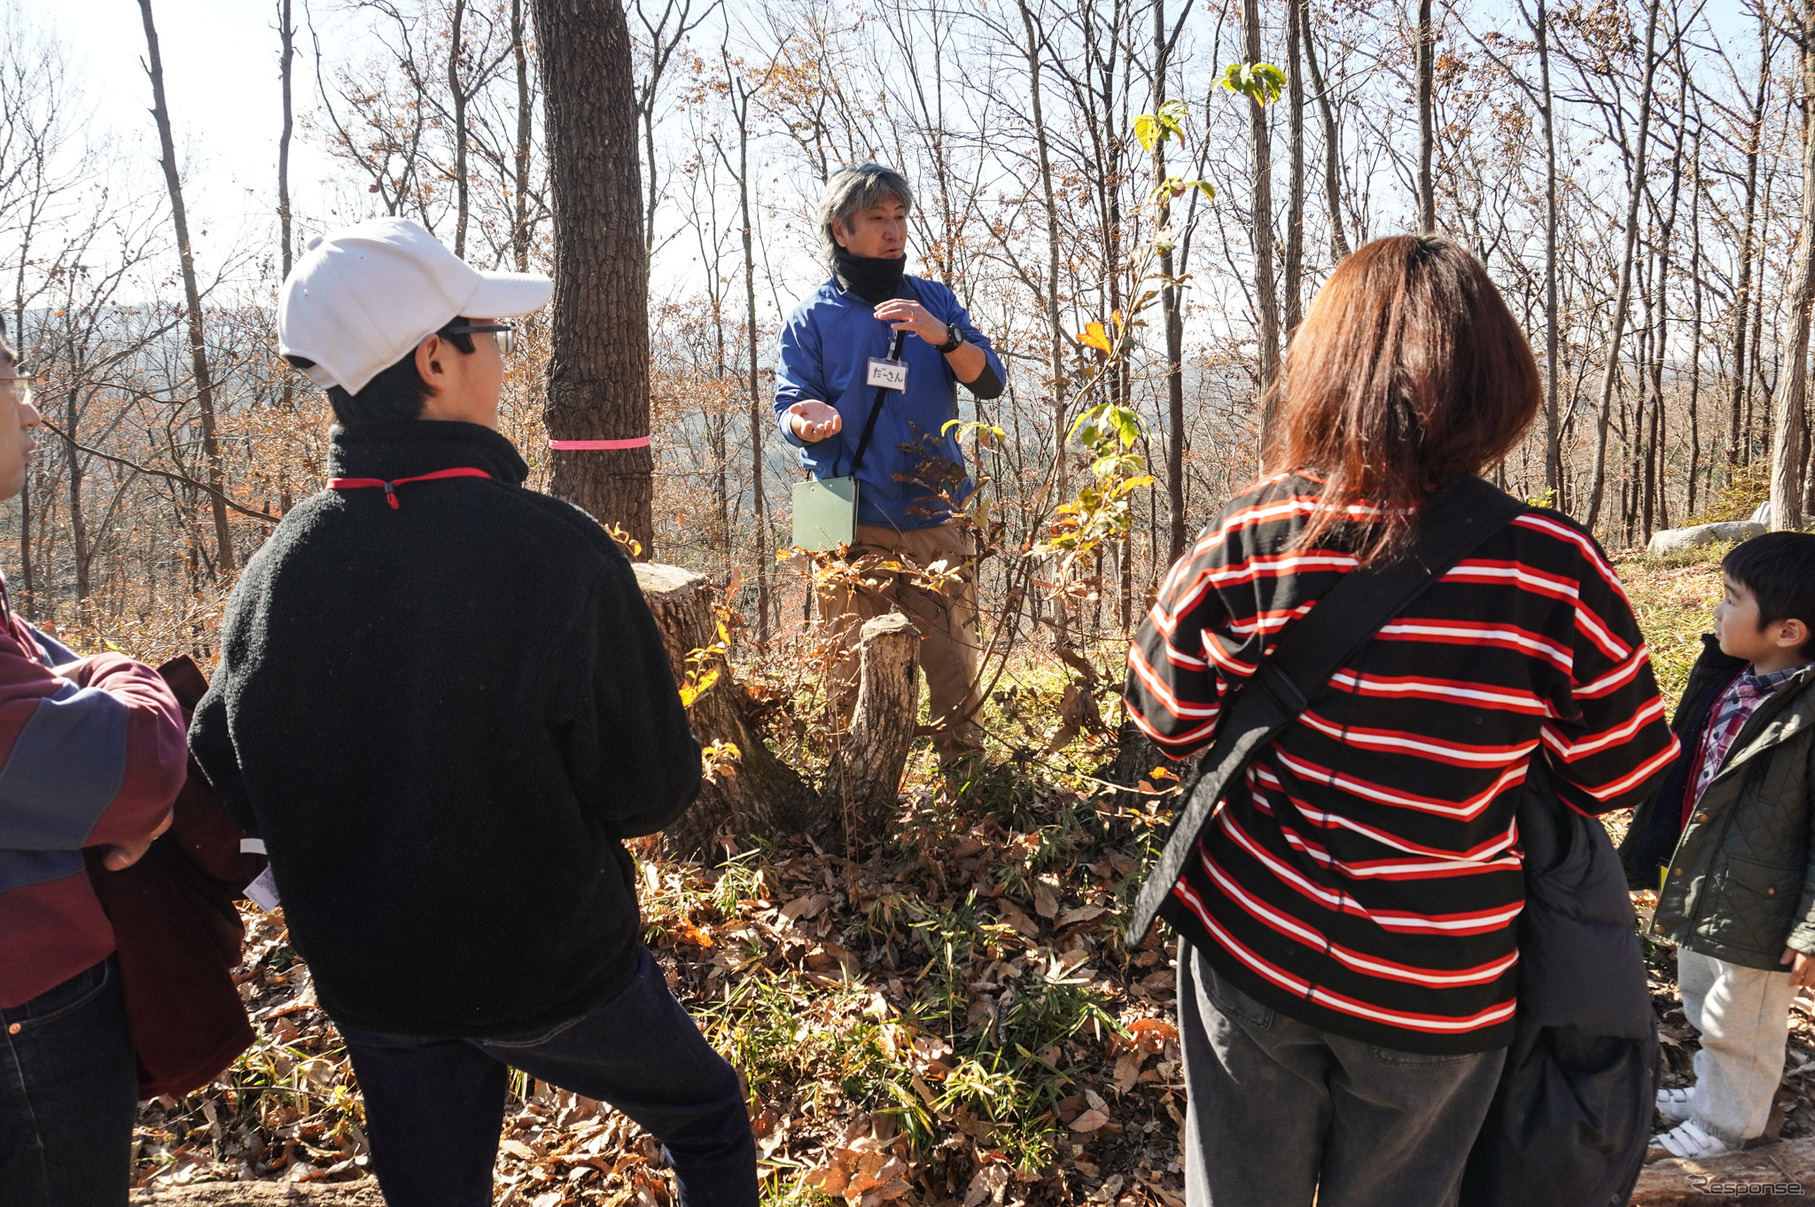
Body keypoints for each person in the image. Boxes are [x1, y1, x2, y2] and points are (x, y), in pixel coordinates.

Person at [189, 217, 757, 1207]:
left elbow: (223, 773)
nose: (504, 354)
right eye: (489, 332)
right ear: (435, 358)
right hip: (552, 968)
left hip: (378, 985)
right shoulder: (559, 551)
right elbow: (649, 790)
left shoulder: (276, 572)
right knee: (707, 1119)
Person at [1123, 235, 1678, 1207]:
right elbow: (1618, 771)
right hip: (1439, 977)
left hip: (1253, 936)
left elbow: (1165, 722)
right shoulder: (1554, 568)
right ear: (1497, 382)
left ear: (1326, 373)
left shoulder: (1255, 536)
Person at [0, 317, 190, 1206]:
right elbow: (136, 767)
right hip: (27, 1010)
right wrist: (127, 674)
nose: (33, 413)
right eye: (8, 385)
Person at [775, 162, 1007, 760]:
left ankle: (968, 784)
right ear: (840, 230)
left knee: (952, 659)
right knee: (847, 665)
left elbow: (989, 382)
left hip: (932, 508)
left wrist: (943, 336)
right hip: (836, 508)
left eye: (900, 217)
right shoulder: (814, 316)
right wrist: (807, 418)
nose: (892, 231)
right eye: (876, 218)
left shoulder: (935, 300)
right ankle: (854, 793)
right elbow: (790, 402)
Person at [1620, 532, 1815, 1161]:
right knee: (1704, 996)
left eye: (1732, 599)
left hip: (1766, 899)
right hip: (1710, 879)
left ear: (1788, 631)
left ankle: (1728, 1127)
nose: (1717, 609)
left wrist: (1810, 929)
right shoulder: (1735, 676)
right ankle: (1714, 1092)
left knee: (1744, 1021)